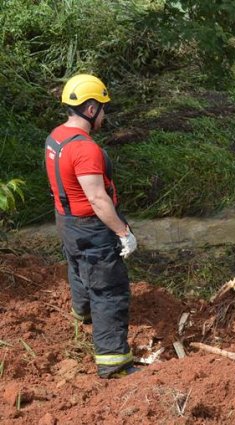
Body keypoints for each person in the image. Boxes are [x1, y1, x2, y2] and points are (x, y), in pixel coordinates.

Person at [44, 74, 138, 378]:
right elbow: (98, 199)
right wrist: (123, 233)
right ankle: (114, 362)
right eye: (102, 108)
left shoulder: (55, 137)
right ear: (90, 108)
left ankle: (82, 313)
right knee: (109, 290)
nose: (105, 115)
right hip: (90, 226)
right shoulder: (85, 149)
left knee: (78, 268)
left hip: (66, 222)